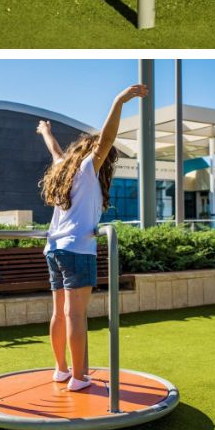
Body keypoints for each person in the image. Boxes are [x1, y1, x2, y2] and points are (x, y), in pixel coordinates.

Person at [36, 83, 147, 391]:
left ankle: (61, 369)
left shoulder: (62, 169)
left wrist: (45, 130)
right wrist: (119, 100)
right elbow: (107, 138)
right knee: (76, 314)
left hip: (54, 249)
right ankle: (80, 377)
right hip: (77, 249)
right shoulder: (87, 169)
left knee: (60, 312)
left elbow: (55, 150)